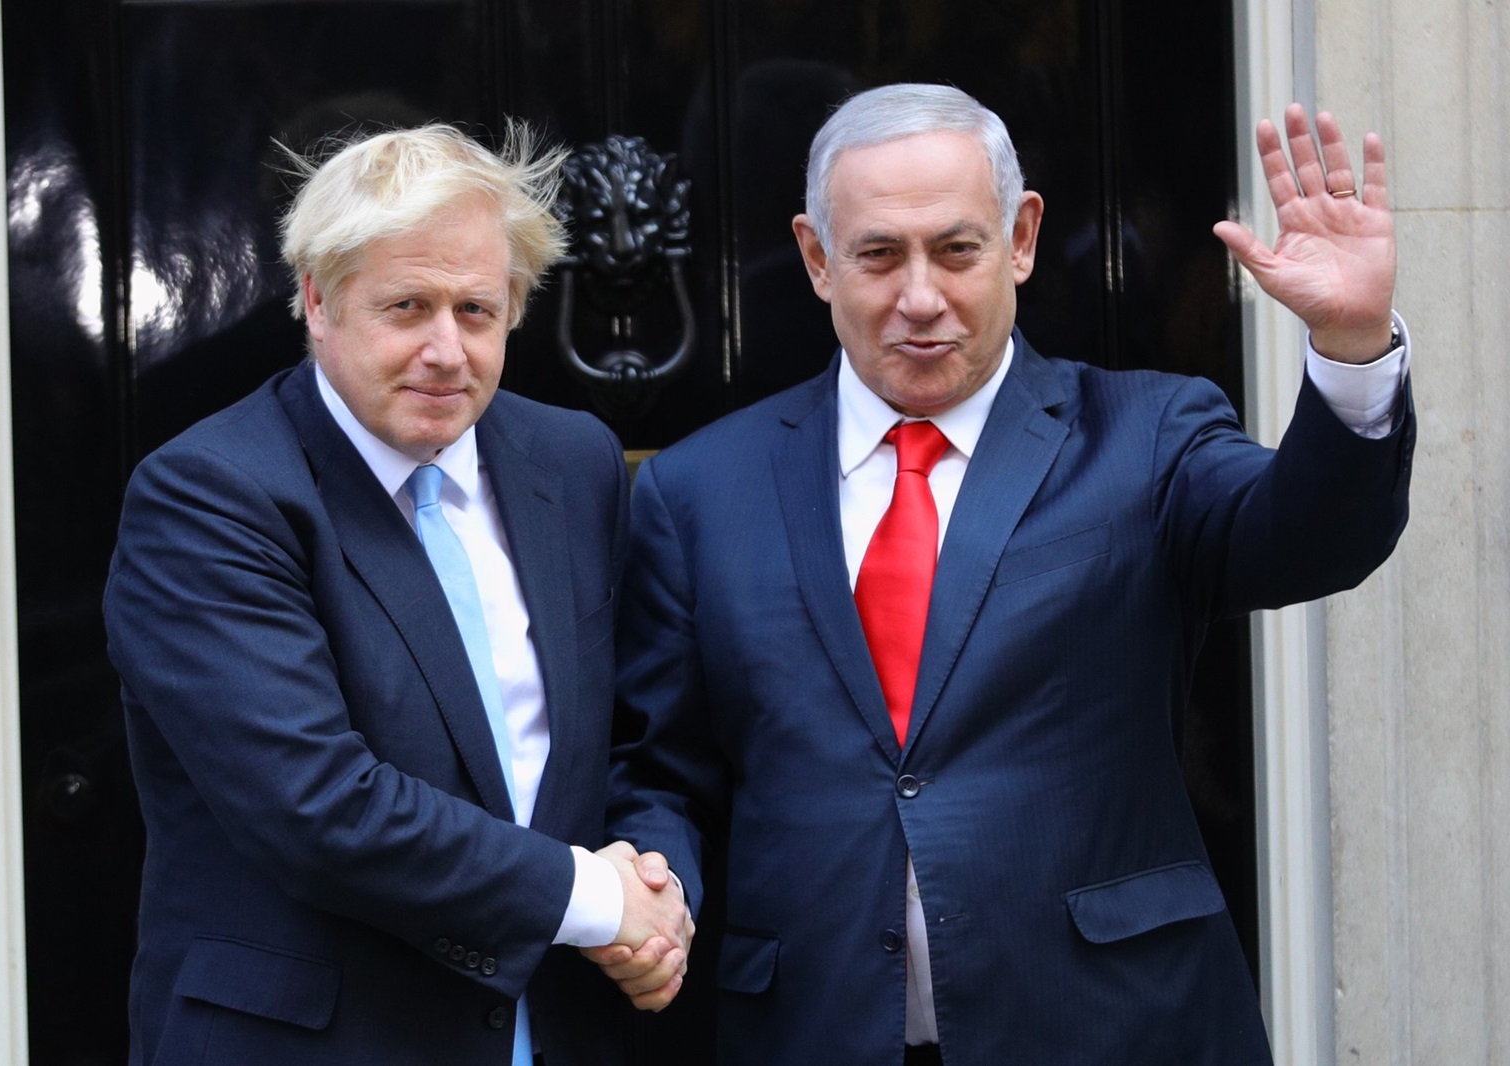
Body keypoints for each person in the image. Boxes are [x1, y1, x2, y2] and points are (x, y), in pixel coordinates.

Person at [604, 83, 1412, 1064]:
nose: (920, 297)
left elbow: (1309, 538)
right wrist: (651, 879)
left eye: (956, 249)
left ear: (1020, 239)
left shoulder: (1149, 435)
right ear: (816, 258)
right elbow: (660, 770)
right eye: (875, 254)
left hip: (1112, 1025)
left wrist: (1351, 347)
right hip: (813, 1027)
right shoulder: (696, 490)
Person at [104, 122, 691, 1066]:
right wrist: (592, 900)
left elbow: (636, 733)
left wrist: (660, 895)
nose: (446, 351)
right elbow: (316, 806)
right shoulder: (210, 495)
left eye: (476, 310)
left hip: (566, 1029)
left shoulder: (573, 461)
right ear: (318, 301)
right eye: (407, 306)